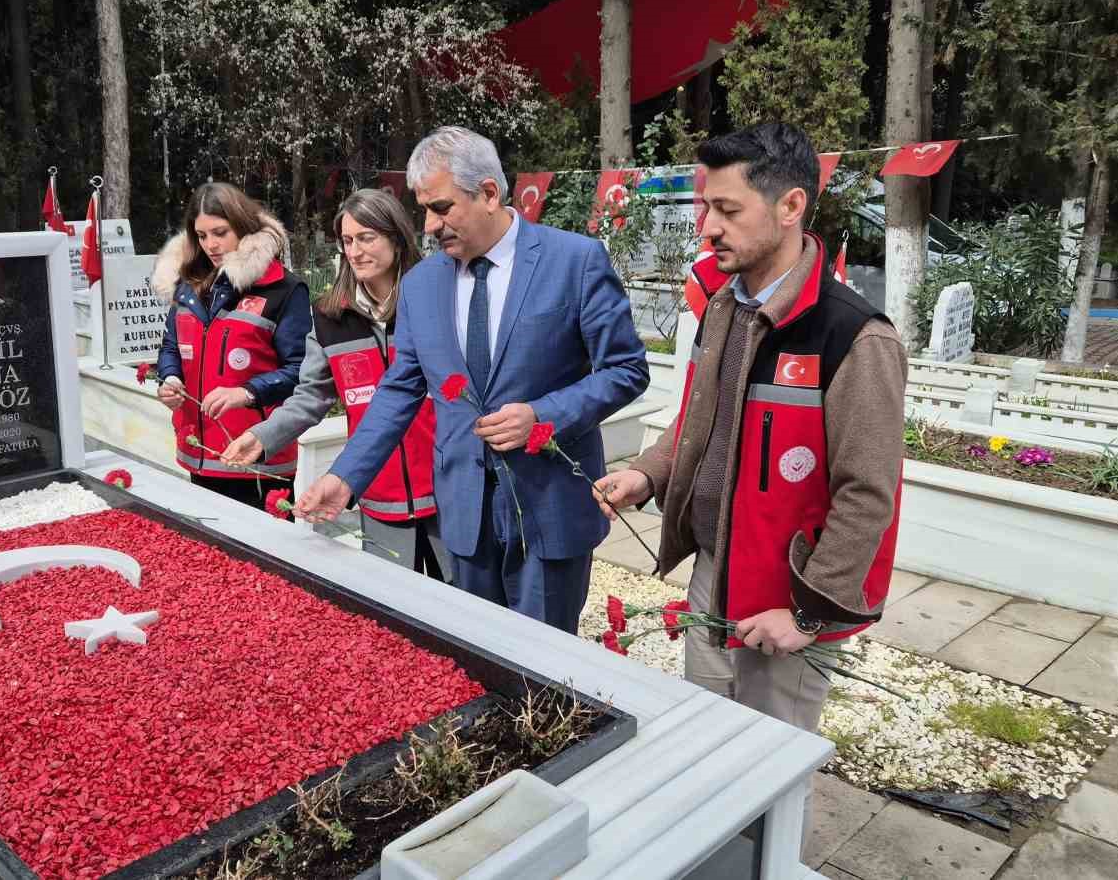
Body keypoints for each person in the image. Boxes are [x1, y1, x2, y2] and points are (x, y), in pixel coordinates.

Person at [593, 122, 907, 740]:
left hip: (784, 593)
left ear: (790, 207)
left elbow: (869, 494)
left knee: (767, 763)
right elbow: (698, 420)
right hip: (715, 571)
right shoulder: (724, 307)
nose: (707, 227)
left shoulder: (853, 337)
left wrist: (809, 612)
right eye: (707, 206)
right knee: (708, 742)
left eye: (727, 209)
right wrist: (648, 472)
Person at [297, 126, 649, 632]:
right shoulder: (422, 284)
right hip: (463, 511)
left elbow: (626, 369)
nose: (430, 225)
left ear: (489, 193)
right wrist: (345, 476)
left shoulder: (573, 261)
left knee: (545, 669)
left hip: (548, 508)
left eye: (441, 208)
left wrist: (543, 416)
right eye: (424, 209)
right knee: (478, 655)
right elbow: (400, 388)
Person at [220, 189, 451, 581]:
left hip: (449, 496)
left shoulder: (438, 301)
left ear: (396, 237)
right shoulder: (329, 317)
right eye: (347, 241)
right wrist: (262, 436)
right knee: (394, 615)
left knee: (466, 615)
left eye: (367, 237)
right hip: (378, 496)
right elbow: (311, 395)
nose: (356, 251)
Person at [152, 182, 310, 510]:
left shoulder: (283, 289)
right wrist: (169, 379)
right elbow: (170, 346)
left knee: (267, 559)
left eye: (220, 232)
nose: (211, 244)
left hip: (258, 456)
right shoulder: (187, 287)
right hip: (199, 451)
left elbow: (303, 371)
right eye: (202, 235)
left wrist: (247, 392)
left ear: (242, 226)